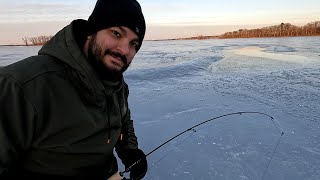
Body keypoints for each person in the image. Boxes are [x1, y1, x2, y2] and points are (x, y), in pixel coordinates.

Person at [0, 0, 148, 179]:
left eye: (133, 44)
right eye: (116, 33)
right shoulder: (21, 85)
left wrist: (129, 149)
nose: (124, 50)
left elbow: (123, 121)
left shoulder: (117, 84)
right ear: (91, 32)